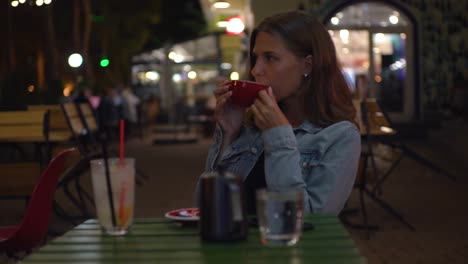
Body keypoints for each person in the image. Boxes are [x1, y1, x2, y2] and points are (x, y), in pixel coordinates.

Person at [198, 10, 361, 216]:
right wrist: (228, 136)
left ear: (306, 65)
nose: (257, 70)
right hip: (235, 246)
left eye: (271, 58)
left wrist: (278, 135)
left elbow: (314, 220)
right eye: (256, 58)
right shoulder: (251, 126)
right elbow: (207, 208)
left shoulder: (340, 135)